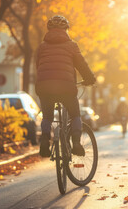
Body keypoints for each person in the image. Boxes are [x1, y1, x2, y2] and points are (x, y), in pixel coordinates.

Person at [35, 15, 96, 157]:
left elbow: (38, 66)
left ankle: (45, 139)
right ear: (66, 30)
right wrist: (90, 79)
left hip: (45, 87)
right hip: (66, 87)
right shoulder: (72, 46)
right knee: (75, 115)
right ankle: (76, 143)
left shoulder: (41, 47)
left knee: (47, 117)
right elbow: (82, 65)